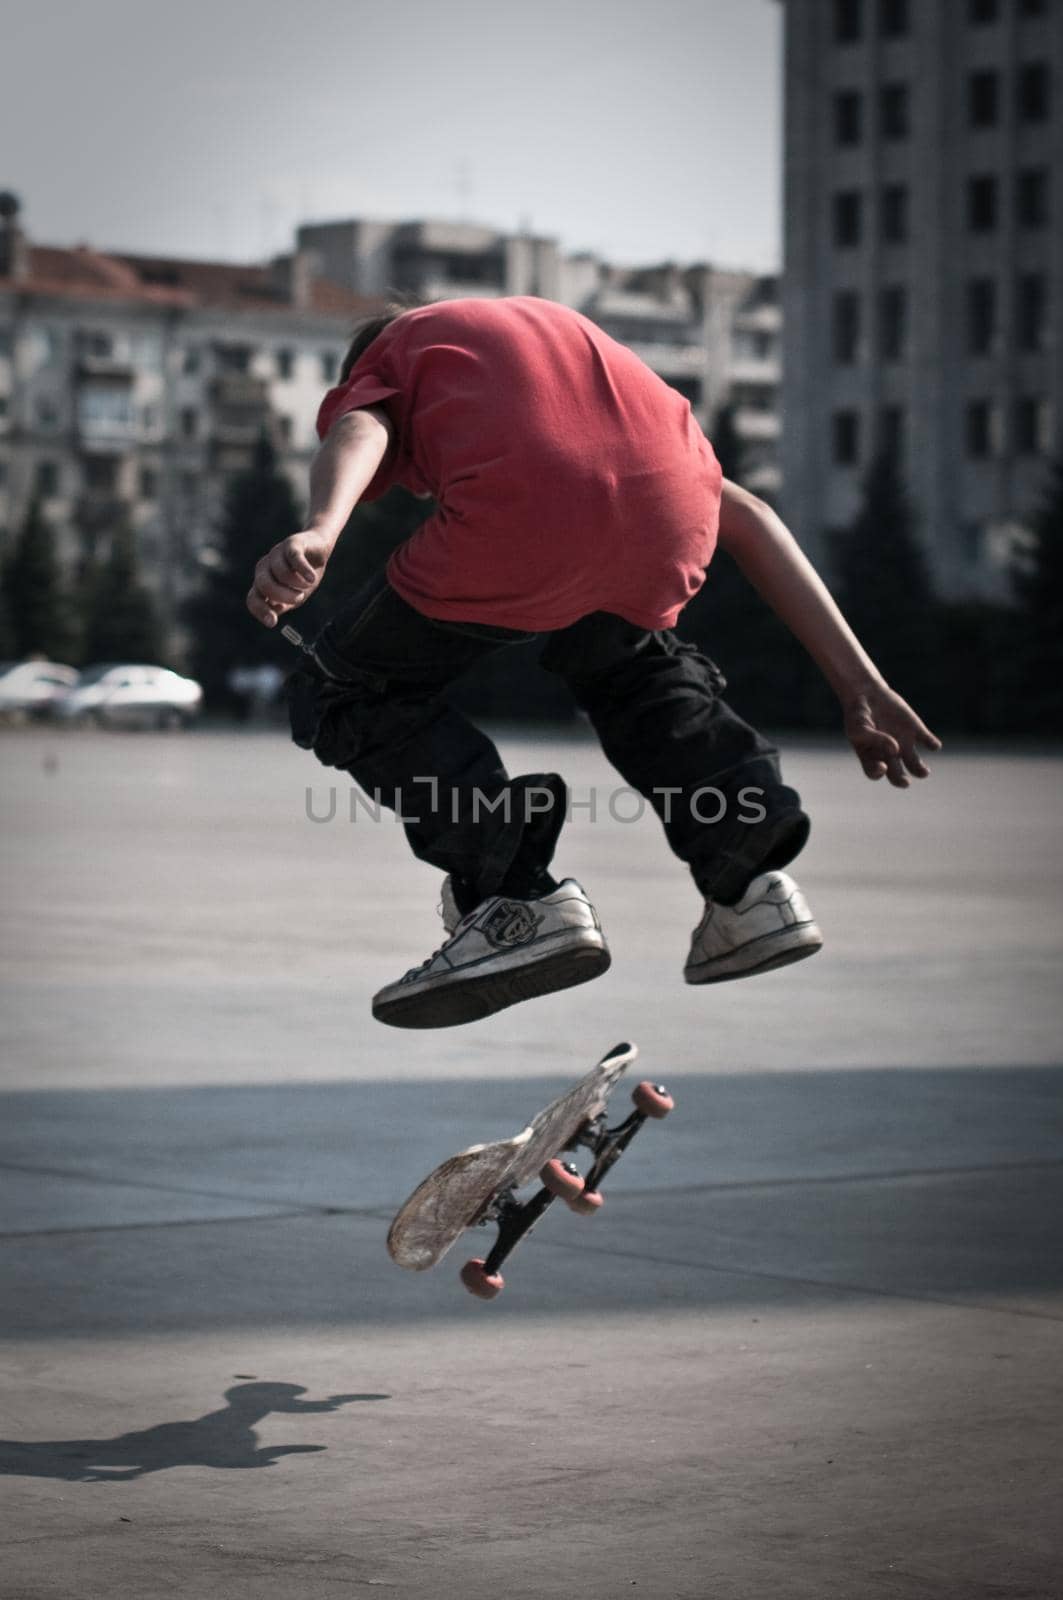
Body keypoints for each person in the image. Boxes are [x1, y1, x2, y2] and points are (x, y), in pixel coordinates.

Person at [246, 296, 939, 1030]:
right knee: (626, 662)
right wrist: (861, 685)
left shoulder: (395, 353)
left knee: (344, 686)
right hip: (670, 505)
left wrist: (322, 528)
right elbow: (754, 521)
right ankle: (749, 884)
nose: (419, 488)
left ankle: (514, 900)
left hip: (525, 508)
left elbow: (365, 425)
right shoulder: (538, 346)